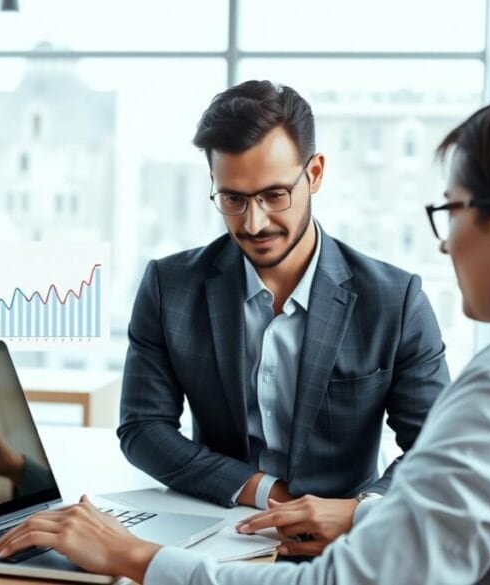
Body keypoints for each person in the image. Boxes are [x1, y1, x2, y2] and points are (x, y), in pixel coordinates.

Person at [0, 85, 490, 583]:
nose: (446, 242)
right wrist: (343, 514)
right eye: (233, 199)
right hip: (221, 525)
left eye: (452, 210)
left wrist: (135, 557)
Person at [116, 80, 451, 549]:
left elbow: (436, 448)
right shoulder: (168, 286)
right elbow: (142, 428)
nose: (254, 223)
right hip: (217, 532)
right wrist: (264, 492)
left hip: (348, 545)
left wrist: (361, 513)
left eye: (275, 195)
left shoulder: (395, 300)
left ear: (314, 174)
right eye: (233, 199)